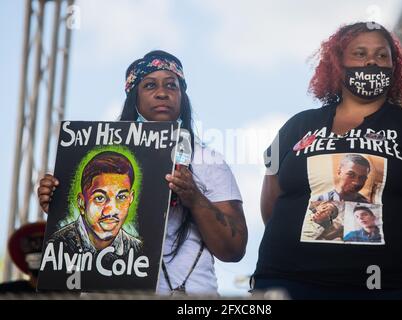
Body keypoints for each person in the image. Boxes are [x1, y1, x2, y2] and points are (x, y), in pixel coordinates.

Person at [255, 22, 402, 299]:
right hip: (289, 283)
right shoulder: (296, 126)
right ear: (337, 63)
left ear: (394, 68)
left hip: (395, 287)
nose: (372, 60)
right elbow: (272, 209)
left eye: (382, 55)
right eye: (360, 53)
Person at [38, 50, 247, 296]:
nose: (162, 93)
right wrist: (59, 201)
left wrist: (194, 198)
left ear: (182, 97)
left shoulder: (207, 161)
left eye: (172, 85)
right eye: (149, 85)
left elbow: (233, 250)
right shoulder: (97, 155)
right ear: (133, 98)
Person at [47, 151, 142, 258]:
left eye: (121, 197)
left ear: (130, 199)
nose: (111, 211)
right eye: (100, 198)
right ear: (81, 203)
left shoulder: (138, 250)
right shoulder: (55, 246)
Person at [0, 222, 46, 293]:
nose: (37, 247)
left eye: (44, 243)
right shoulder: (5, 291)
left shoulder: (66, 293)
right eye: (31, 244)